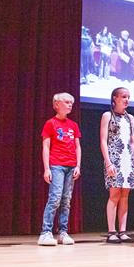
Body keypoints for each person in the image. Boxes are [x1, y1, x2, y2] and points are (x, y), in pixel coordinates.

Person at [38, 93, 81, 246]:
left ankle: (63, 232)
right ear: (56, 104)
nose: (70, 105)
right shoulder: (50, 123)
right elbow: (46, 146)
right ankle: (45, 232)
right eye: (67, 102)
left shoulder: (73, 125)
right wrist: (46, 168)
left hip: (71, 166)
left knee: (66, 200)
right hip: (56, 165)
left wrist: (78, 165)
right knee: (55, 198)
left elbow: (77, 146)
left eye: (71, 103)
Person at [100, 87, 134, 243]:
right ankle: (111, 231)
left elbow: (132, 141)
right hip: (114, 159)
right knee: (114, 195)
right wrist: (108, 162)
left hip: (127, 160)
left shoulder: (130, 118)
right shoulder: (107, 116)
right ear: (115, 98)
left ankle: (122, 231)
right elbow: (103, 140)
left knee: (125, 196)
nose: (127, 99)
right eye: (123, 96)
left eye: (128, 97)